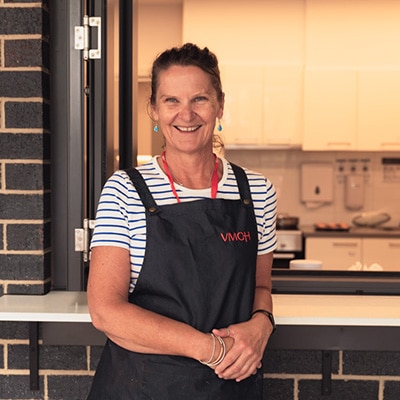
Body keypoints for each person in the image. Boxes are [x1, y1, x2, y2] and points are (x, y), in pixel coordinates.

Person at [87, 43, 277, 400]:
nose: (186, 114)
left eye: (200, 100)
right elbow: (106, 311)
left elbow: (261, 288)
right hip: (142, 387)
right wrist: (211, 349)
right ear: (154, 109)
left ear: (220, 104)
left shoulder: (256, 192)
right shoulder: (125, 191)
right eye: (171, 101)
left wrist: (262, 324)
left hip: (230, 385)